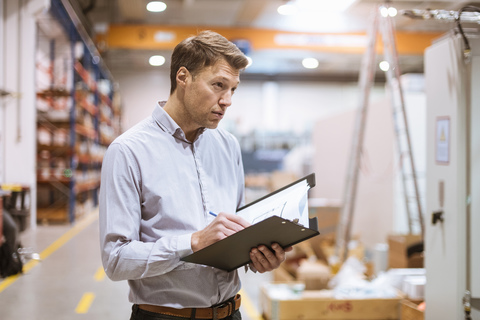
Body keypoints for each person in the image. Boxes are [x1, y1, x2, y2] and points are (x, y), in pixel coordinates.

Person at [99, 30, 291, 320]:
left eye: (233, 90)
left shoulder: (228, 146)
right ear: (183, 78)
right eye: (218, 85)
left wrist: (259, 256)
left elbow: (237, 233)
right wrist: (192, 243)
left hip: (230, 313)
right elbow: (116, 260)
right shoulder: (128, 151)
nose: (227, 101)